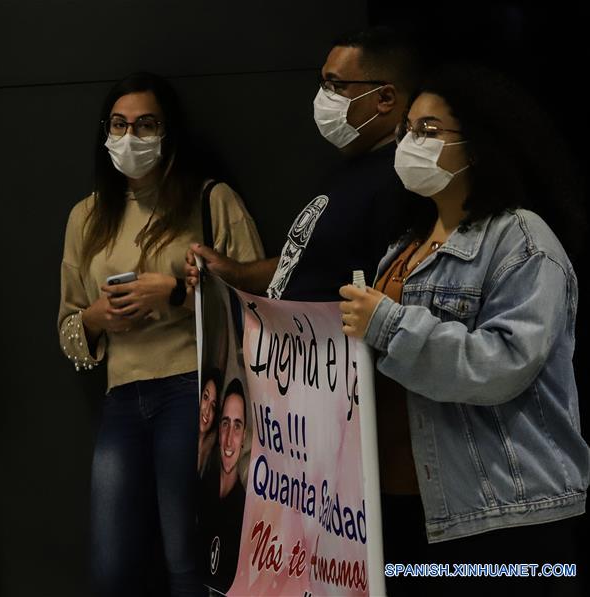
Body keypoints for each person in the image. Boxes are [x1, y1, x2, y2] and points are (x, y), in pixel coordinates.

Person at [339, 65, 589, 596]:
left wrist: (386, 323)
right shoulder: (403, 242)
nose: (410, 142)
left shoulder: (521, 238)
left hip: (503, 516)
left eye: (429, 131)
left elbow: (502, 366)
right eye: (407, 129)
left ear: (478, 145)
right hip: (408, 509)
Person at [57, 72, 264, 596]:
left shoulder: (210, 200)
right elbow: (68, 326)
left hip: (193, 390)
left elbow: (260, 301)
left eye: (145, 124)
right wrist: (99, 318)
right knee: (112, 567)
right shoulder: (87, 216)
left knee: (186, 557)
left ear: (168, 131)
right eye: (119, 124)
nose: (130, 137)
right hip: (121, 396)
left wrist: (174, 292)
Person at [185, 26, 424, 301]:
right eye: (323, 84)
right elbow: (310, 259)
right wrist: (238, 274)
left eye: (335, 85)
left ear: (384, 98)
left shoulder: (401, 179)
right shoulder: (353, 166)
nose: (324, 96)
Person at [197, 379, 247, 593]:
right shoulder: (199, 485)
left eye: (237, 426)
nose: (228, 440)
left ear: (244, 436)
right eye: (225, 423)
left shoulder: (246, 513)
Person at [198, 368, 221, 476]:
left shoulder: (214, 453)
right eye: (205, 397)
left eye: (213, 405)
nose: (207, 410)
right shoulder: (180, 437)